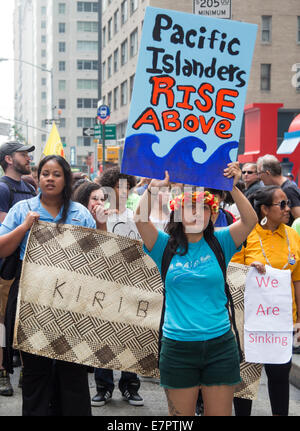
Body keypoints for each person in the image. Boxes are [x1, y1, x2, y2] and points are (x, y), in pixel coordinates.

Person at [134, 163, 258, 416]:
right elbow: (140, 219)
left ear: (213, 215)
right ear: (177, 214)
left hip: (220, 345)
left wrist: (231, 187)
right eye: (189, 208)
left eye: (203, 209)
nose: (196, 214)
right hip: (177, 347)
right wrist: (154, 188)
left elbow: (251, 220)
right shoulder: (163, 246)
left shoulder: (222, 241)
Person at [0, 155, 96, 416]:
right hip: (31, 299)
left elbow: (97, 260)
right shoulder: (23, 210)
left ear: (66, 179)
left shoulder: (80, 213)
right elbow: (2, 247)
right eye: (45, 173)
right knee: (36, 372)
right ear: (38, 178)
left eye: (56, 174)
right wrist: (24, 227)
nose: (50, 179)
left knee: (73, 371)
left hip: (73, 304)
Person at [232, 186, 300, 416]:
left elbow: (298, 280)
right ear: (264, 209)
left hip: (281, 323)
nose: (287, 209)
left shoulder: (293, 235)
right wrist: (249, 269)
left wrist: (299, 318)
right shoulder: (246, 234)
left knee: (280, 377)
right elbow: (232, 274)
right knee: (245, 380)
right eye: (281, 204)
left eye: (288, 203)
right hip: (250, 321)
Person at [90, 167, 144, 408]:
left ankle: (130, 385)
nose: (122, 191)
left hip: (134, 282)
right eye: (117, 187)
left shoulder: (137, 215)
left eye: (127, 187)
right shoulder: (99, 216)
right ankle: (103, 386)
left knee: (131, 334)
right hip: (105, 282)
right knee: (103, 334)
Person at [0, 141, 36, 397]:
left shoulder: (29, 187)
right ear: (9, 159)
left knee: (27, 321)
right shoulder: (3, 188)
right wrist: (24, 225)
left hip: (29, 266)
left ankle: (27, 370)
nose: (28, 158)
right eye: (23, 154)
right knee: (2, 324)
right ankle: (3, 373)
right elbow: (5, 230)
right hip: (6, 268)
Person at [257, 155, 300, 226]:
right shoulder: (283, 188)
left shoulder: (288, 189)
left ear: (267, 173)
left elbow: (298, 219)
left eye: (259, 173)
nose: (259, 177)